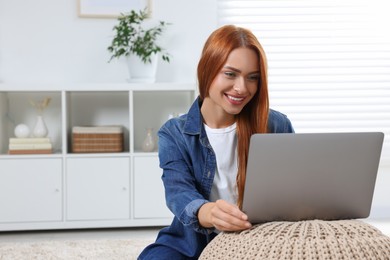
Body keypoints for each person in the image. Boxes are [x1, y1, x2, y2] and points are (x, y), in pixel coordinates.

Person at [138, 24, 294, 260]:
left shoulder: (276, 125)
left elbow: (295, 190)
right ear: (207, 70)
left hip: (259, 242)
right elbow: (178, 192)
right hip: (189, 243)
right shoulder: (174, 134)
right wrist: (207, 211)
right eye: (230, 74)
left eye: (252, 78)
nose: (242, 88)